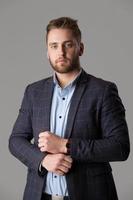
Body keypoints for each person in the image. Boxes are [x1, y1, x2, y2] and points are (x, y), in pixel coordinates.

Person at [9, 17, 130, 200]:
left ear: (80, 48)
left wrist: (66, 145)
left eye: (68, 45)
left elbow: (119, 147)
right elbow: (16, 140)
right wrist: (43, 160)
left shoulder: (103, 91)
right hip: (39, 195)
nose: (61, 52)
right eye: (54, 46)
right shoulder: (33, 92)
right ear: (47, 52)